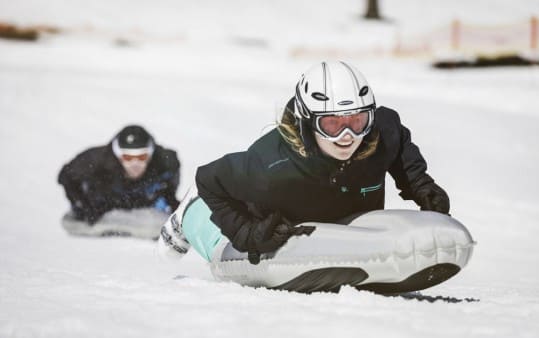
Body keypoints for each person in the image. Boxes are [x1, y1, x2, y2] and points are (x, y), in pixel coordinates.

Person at [159, 61, 449, 265]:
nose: (348, 136)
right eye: (333, 125)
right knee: (218, 241)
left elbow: (398, 141)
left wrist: (420, 184)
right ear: (308, 123)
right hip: (268, 224)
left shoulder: (381, 132)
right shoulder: (269, 165)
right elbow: (208, 179)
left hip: (343, 216)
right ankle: (191, 213)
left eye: (358, 122)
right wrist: (246, 233)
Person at [59, 125, 180, 225]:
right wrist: (81, 204)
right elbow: (65, 175)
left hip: (141, 199)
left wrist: (170, 198)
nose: (135, 164)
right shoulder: (96, 159)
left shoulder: (166, 160)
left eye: (142, 157)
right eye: (127, 157)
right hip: (102, 201)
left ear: (150, 154)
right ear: (118, 154)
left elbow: (171, 177)